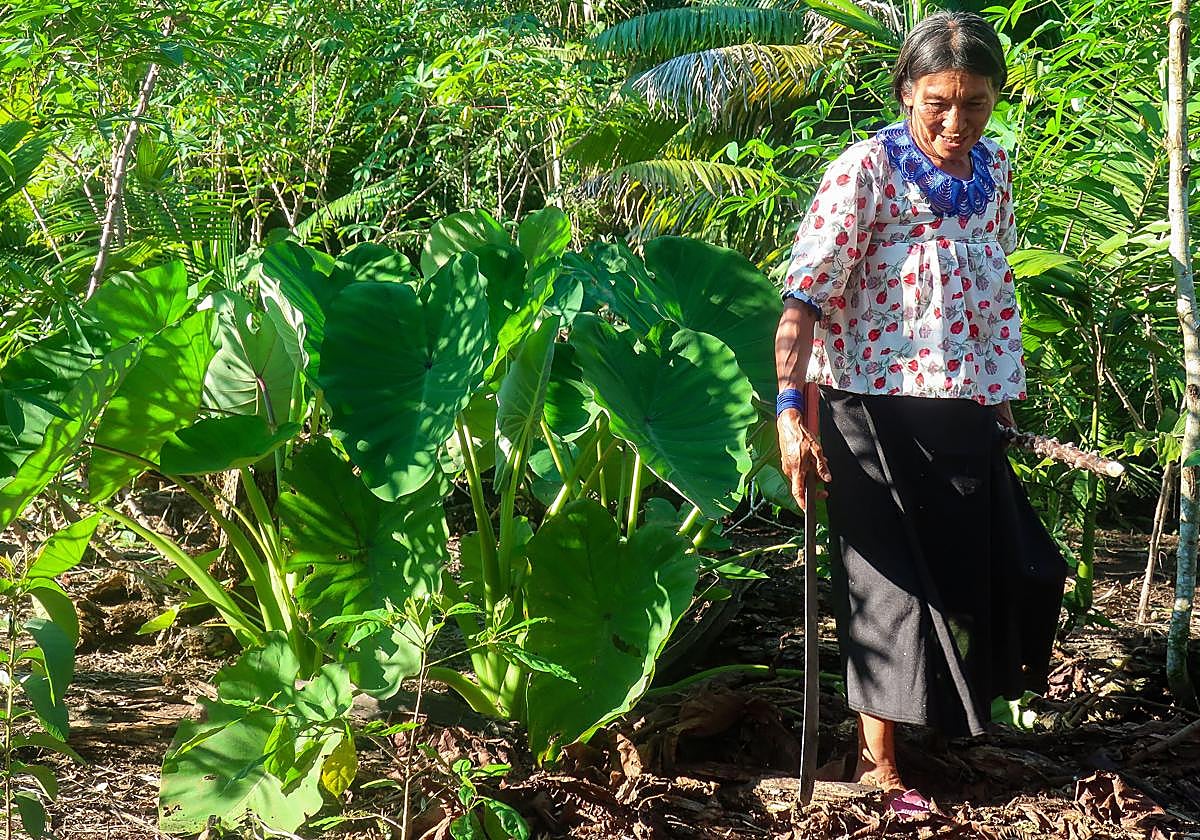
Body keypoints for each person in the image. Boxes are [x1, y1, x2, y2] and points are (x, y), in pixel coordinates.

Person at [774, 11, 1066, 810]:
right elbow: (803, 301)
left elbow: (989, 282)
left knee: (1013, 569)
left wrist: (1000, 396)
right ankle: (882, 765)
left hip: (963, 405)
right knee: (892, 592)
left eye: (974, 102)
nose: (954, 119)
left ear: (995, 99)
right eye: (938, 99)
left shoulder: (994, 170)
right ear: (907, 92)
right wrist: (790, 415)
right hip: (870, 410)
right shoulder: (865, 171)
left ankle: (947, 724)